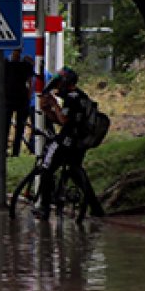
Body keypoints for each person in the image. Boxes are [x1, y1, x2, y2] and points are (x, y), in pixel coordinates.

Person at [35, 66, 105, 221]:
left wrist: (53, 104)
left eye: (59, 84)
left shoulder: (72, 98)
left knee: (47, 169)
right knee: (76, 171)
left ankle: (44, 208)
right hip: (80, 142)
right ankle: (96, 208)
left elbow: (64, 120)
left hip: (67, 141)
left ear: (65, 82)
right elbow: (64, 120)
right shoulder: (82, 96)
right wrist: (48, 111)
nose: (57, 87)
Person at [4, 49, 34, 157]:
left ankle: (16, 152)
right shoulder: (5, 63)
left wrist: (29, 97)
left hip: (22, 99)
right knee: (5, 126)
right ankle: (4, 150)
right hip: (7, 99)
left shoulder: (26, 64)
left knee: (20, 127)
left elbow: (30, 82)